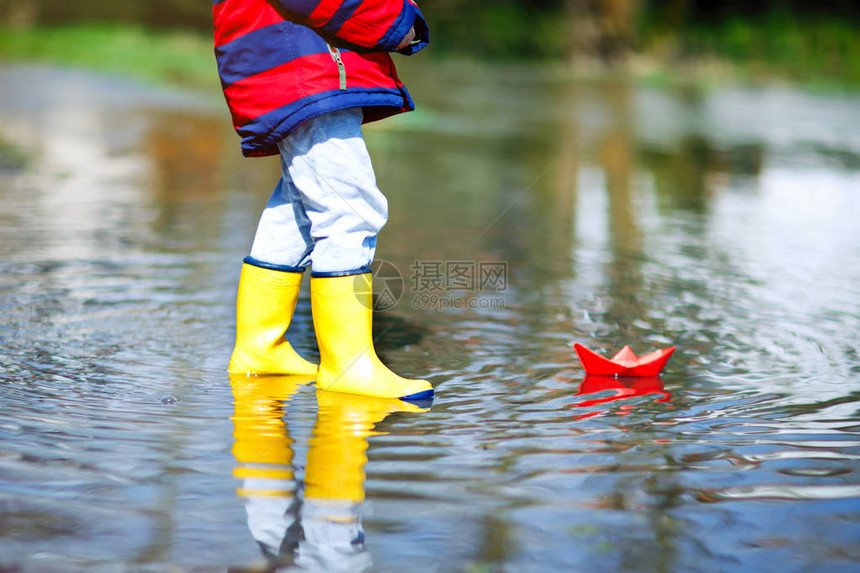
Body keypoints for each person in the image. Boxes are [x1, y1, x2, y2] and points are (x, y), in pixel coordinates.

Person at [213, 0, 433, 400]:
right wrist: (397, 20)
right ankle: (347, 365)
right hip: (305, 67)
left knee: (299, 205)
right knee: (351, 207)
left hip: (287, 66)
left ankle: (261, 347)